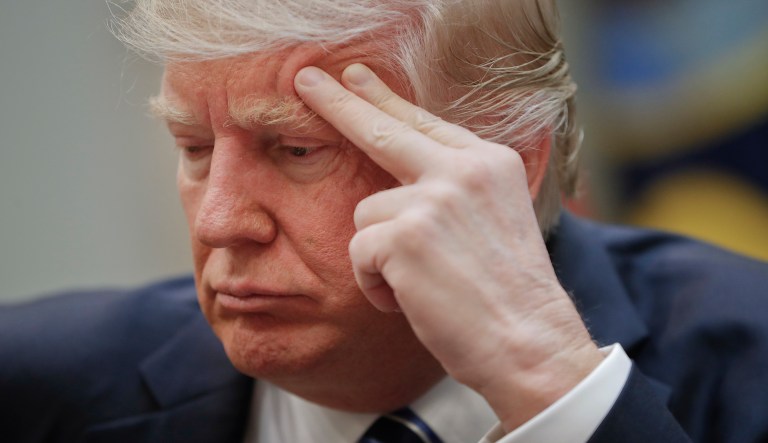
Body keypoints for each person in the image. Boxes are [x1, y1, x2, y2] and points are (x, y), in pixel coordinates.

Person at [2, 1, 767, 442]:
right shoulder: (35, 385)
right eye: (194, 147)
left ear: (506, 163)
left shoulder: (749, 357)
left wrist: (553, 391)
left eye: (299, 148)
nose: (222, 219)